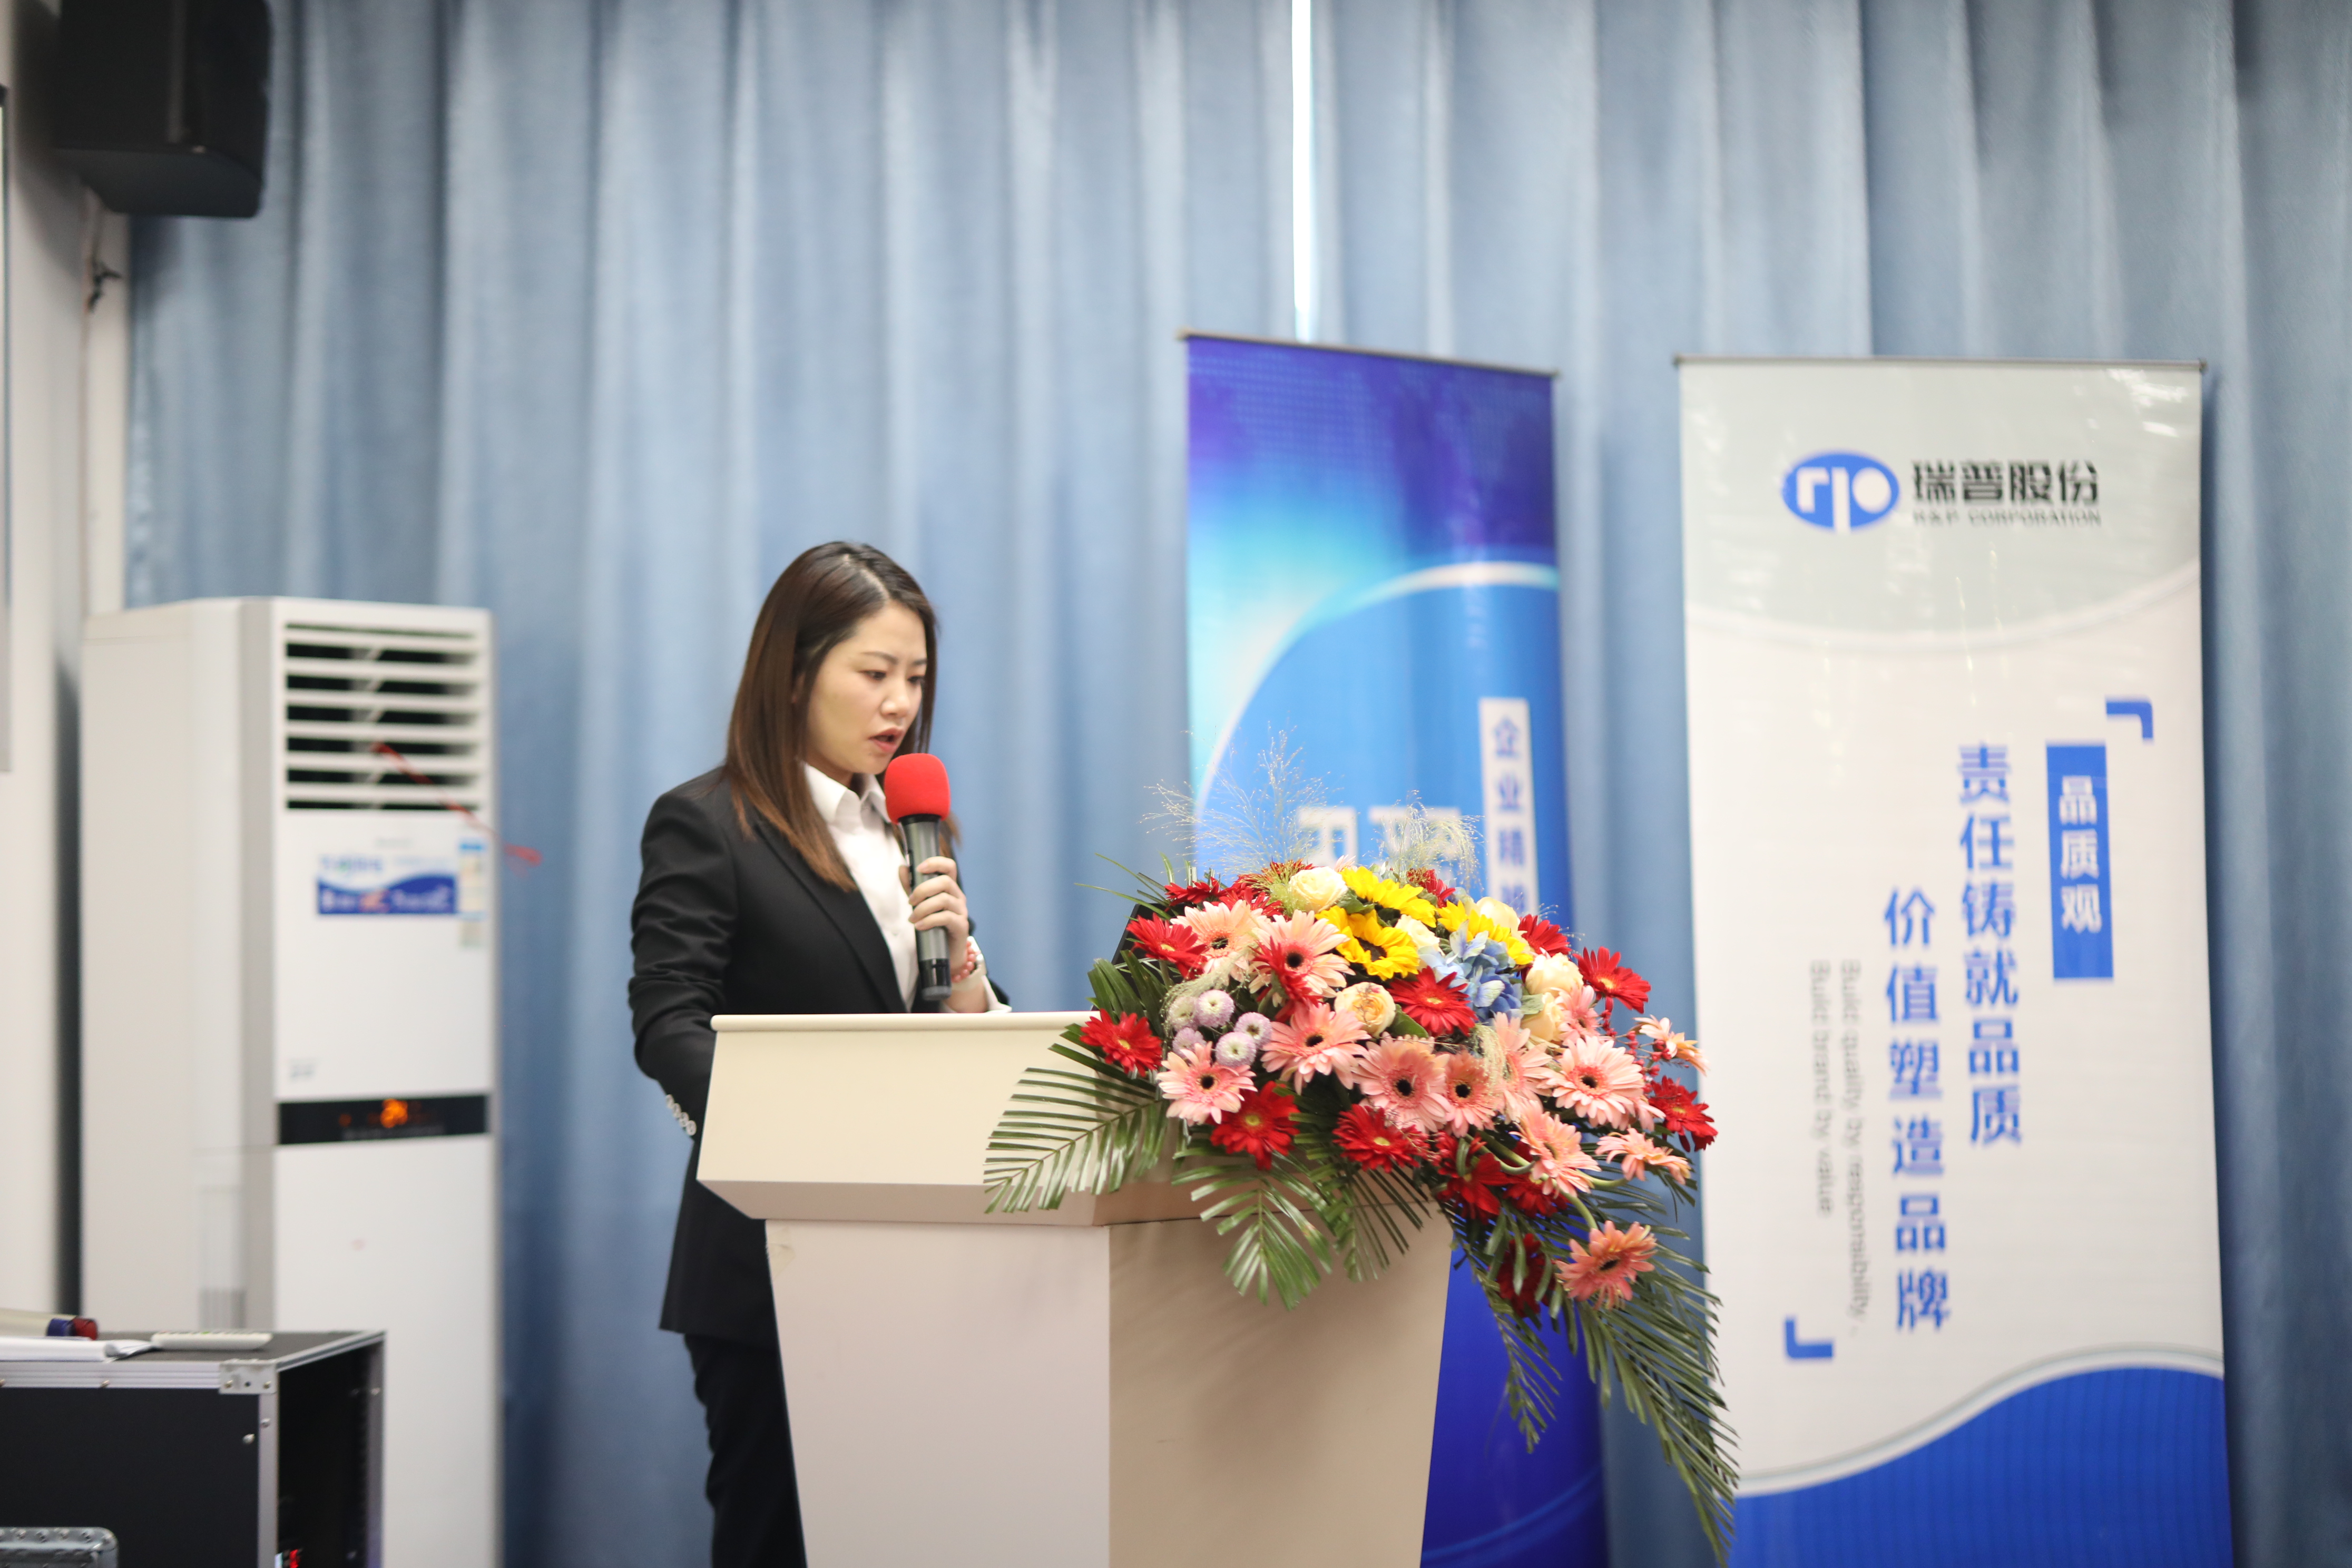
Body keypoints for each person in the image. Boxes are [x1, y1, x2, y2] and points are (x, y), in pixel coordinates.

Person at [629, 542, 1003, 1567]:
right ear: (794, 674)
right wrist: (799, 1145)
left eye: (916, 677)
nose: (900, 704)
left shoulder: (916, 829)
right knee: (779, 1540)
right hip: (770, 1263)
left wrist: (967, 969)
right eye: (874, 673)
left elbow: (946, 1025)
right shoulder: (708, 824)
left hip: (914, 1255)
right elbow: (668, 1024)